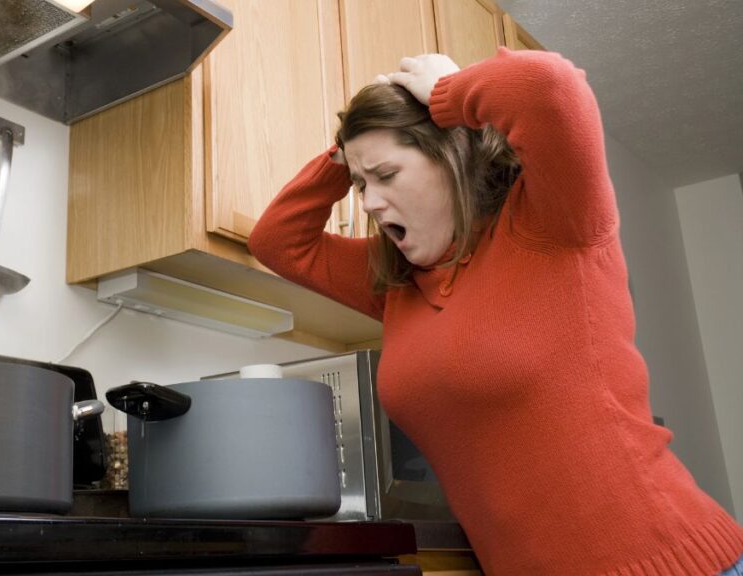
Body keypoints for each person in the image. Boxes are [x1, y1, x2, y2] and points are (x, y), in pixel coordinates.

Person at [248, 48, 743, 575]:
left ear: (452, 156)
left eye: (387, 175)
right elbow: (277, 241)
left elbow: (548, 85)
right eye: (362, 184)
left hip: (663, 562)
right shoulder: (397, 283)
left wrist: (448, 91)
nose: (368, 202)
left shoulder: (553, 225)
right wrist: (343, 154)